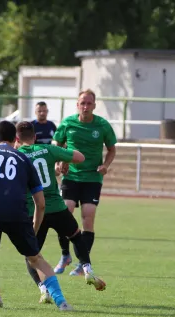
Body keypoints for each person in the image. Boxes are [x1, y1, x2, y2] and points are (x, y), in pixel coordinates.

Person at [0, 120, 73, 311]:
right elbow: (40, 204)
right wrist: (33, 229)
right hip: (17, 212)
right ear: (15, 139)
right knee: (35, 258)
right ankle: (61, 301)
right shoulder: (24, 159)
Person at [15, 121, 106, 303]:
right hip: (57, 207)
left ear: (17, 138)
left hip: (35, 212)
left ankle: (44, 290)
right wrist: (63, 160)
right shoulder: (48, 149)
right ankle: (87, 269)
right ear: (35, 137)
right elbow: (79, 157)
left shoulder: (16, 156)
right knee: (76, 236)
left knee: (31, 254)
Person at [52, 89, 117, 279]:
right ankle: (65, 256)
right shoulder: (68, 123)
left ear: (94, 106)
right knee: (65, 213)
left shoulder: (102, 125)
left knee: (88, 217)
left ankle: (83, 263)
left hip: (92, 178)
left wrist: (105, 165)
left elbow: (112, 149)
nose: (86, 106)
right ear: (77, 105)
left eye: (89, 103)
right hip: (71, 177)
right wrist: (57, 162)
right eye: (82, 103)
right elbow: (56, 144)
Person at [31, 102, 74, 274]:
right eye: (39, 110)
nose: (42, 113)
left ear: (47, 112)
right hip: (35, 171)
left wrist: (58, 163)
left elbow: (59, 147)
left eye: (44, 110)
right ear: (36, 112)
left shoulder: (52, 127)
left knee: (62, 210)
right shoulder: (32, 127)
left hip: (49, 171)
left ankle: (65, 254)